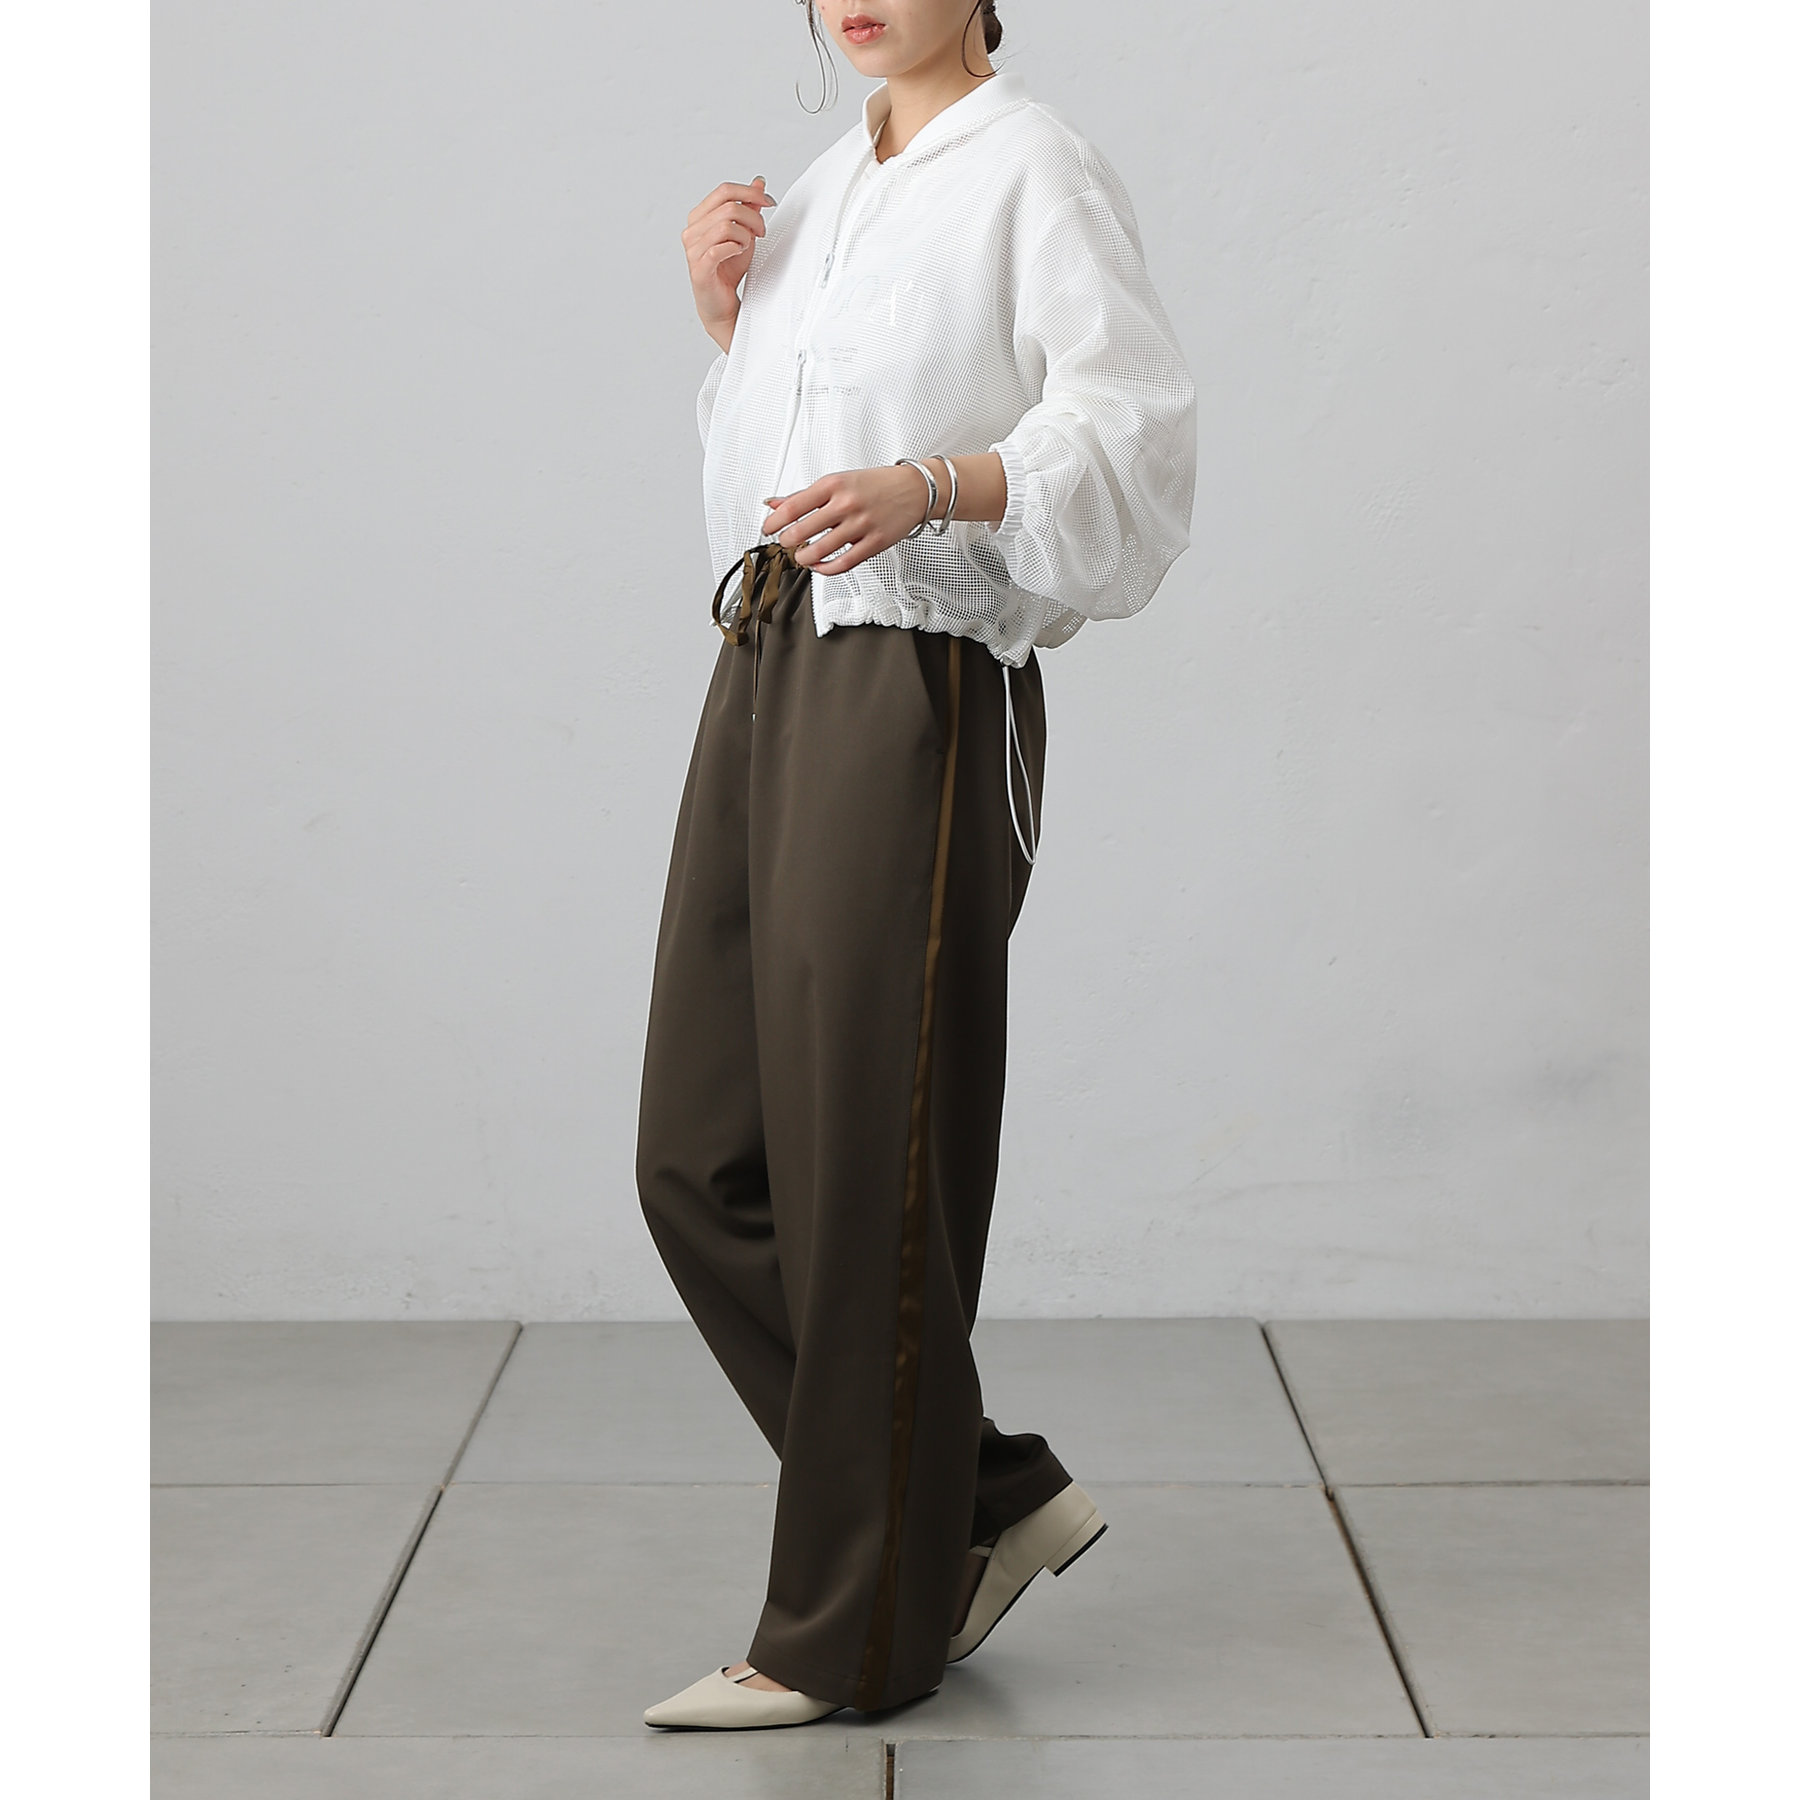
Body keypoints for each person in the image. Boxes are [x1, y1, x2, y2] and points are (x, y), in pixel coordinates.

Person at [636, 0, 1195, 1729]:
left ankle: (852, 1637)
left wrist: (937, 484)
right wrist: (730, 322)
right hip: (767, 658)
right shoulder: (821, 188)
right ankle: (980, 1497)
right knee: (702, 1161)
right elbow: (777, 461)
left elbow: (1137, 436)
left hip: (917, 682)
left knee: (867, 1167)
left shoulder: (1033, 166)